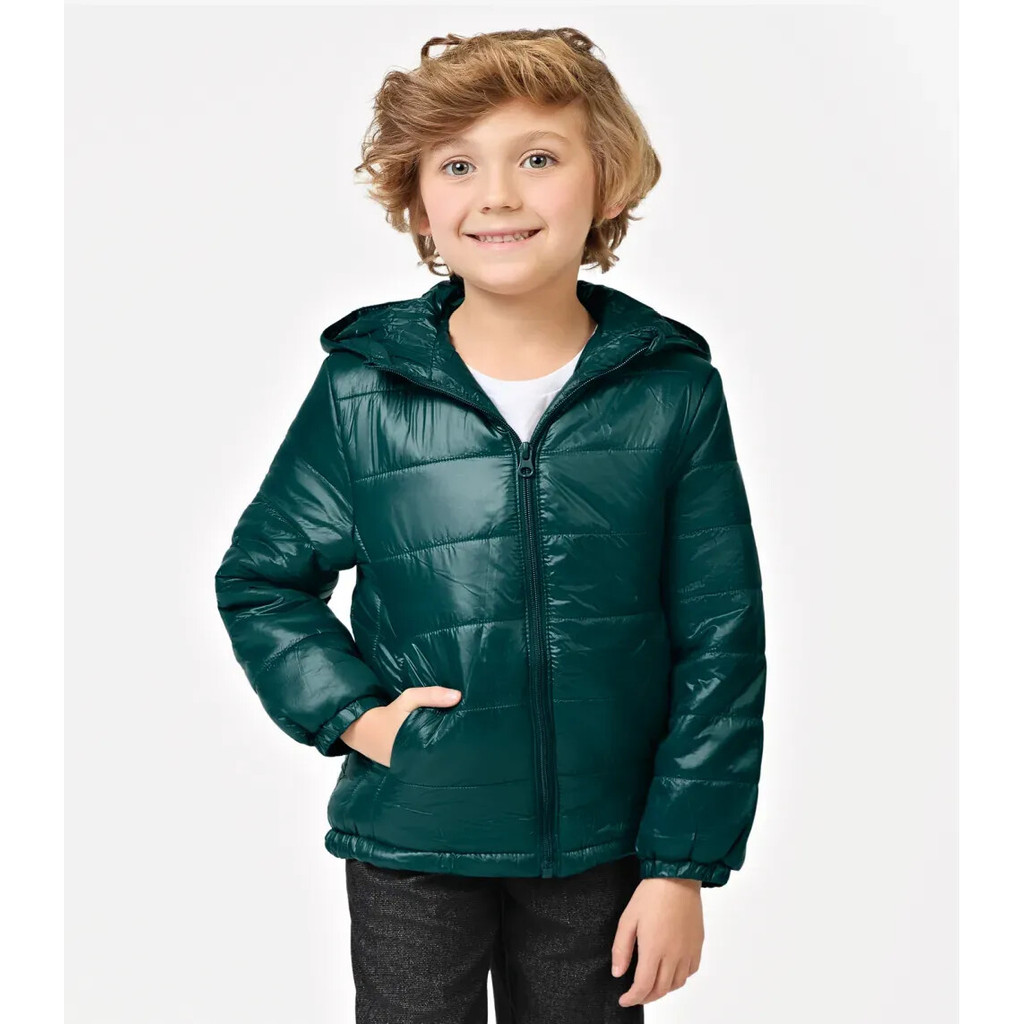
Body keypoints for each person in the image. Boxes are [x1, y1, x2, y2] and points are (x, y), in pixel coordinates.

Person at [214, 27, 767, 1024]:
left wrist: (680, 865)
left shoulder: (671, 392)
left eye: (539, 159)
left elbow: (720, 638)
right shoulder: (364, 392)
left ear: (607, 184)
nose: (499, 195)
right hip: (414, 836)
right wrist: (361, 717)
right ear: (419, 201)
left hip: (603, 848)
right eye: (459, 165)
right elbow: (261, 579)